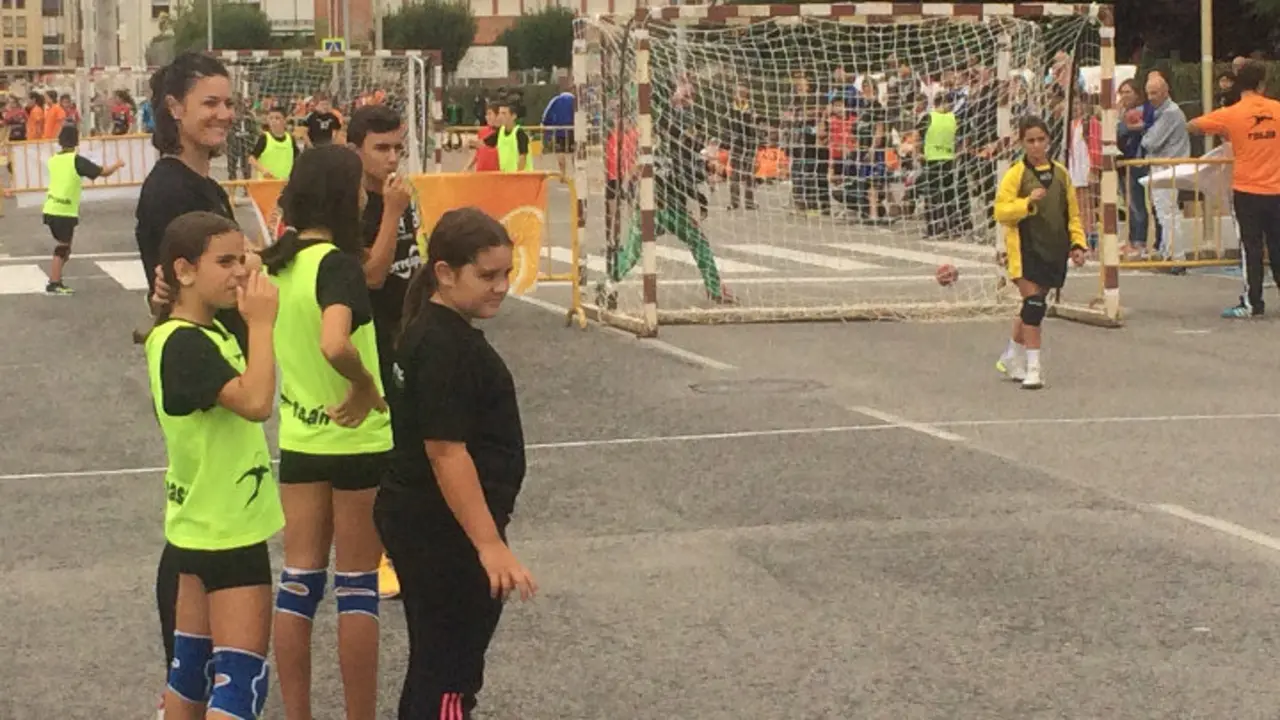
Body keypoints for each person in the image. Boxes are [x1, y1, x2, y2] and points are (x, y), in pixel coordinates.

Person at [375, 207, 538, 720]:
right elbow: (446, 453)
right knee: (451, 674)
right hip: (444, 529)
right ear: (445, 273)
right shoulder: (446, 347)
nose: (500, 286)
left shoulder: (432, 329)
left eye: (506, 273)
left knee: (434, 661)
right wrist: (488, 545)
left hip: (428, 520)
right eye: (486, 275)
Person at [259, 143, 391, 720]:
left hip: (300, 439)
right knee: (358, 586)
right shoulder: (337, 264)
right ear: (345, 195)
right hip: (356, 440)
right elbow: (335, 342)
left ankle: (298, 715)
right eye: (360, 184)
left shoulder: (278, 264)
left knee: (299, 581)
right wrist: (363, 385)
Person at [134, 51, 241, 720]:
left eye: (228, 103)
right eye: (210, 103)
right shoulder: (172, 190)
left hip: (217, 355)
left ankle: (186, 678)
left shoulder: (205, 184)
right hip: (201, 366)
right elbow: (175, 295)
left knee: (206, 514)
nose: (224, 114)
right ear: (174, 108)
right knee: (199, 521)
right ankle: (184, 674)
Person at [144, 211, 284, 720]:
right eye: (223, 262)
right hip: (228, 532)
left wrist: (253, 273)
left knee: (191, 673)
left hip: (197, 527)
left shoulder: (203, 331)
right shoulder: (184, 343)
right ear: (183, 270)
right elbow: (255, 401)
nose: (239, 272)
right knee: (239, 683)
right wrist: (263, 324)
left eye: (240, 259)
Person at [348, 103, 419, 598]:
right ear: (357, 150)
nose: (392, 158)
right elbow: (371, 276)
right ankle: (378, 555)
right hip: (368, 340)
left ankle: (408, 547)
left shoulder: (403, 194)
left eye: (398, 147)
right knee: (382, 454)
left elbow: (412, 262)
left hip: (405, 332)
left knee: (411, 444)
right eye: (381, 148)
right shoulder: (354, 204)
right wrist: (391, 213)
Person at [994, 115, 1088, 390]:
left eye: (1040, 140)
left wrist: (1077, 244)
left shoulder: (1060, 174)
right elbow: (1001, 211)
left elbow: (1071, 213)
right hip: (1024, 248)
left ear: (1048, 141)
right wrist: (1026, 204)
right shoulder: (1016, 174)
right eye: (1030, 141)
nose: (1036, 146)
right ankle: (1034, 367)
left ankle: (1012, 353)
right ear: (1022, 143)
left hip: (1053, 247)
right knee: (1034, 305)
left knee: (1031, 307)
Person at [1188, 60, 1280, 318]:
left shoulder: (1232, 114)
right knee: (1277, 245)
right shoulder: (1277, 109)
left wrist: (1228, 134)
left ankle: (1253, 302)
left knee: (1250, 247)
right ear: (1262, 84)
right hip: (1277, 189)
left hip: (1247, 189)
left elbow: (1194, 124)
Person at [40, 125, 124, 295]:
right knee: (63, 247)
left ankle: (56, 279)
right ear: (76, 141)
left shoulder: (53, 160)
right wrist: (117, 164)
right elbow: (103, 172)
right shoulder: (76, 161)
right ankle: (54, 282)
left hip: (50, 207)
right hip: (63, 210)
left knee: (66, 248)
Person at [249, 106, 300, 180]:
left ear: (285, 120)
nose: (273, 121)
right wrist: (263, 170)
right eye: (271, 118)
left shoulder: (290, 139)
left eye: (277, 118)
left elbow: (297, 158)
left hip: (285, 183)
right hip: (267, 183)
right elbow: (251, 159)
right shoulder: (265, 138)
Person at [481, 99, 530, 172]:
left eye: (504, 113)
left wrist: (517, 175)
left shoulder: (520, 133)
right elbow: (485, 143)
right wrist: (470, 142)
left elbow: (522, 157)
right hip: (506, 176)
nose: (500, 116)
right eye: (500, 113)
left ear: (513, 116)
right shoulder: (500, 132)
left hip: (521, 178)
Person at [465, 103, 500, 172]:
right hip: (481, 171)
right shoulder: (482, 131)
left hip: (495, 172)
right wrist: (467, 167)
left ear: (498, 115)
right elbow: (477, 153)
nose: (487, 117)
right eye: (486, 114)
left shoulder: (501, 132)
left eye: (490, 114)